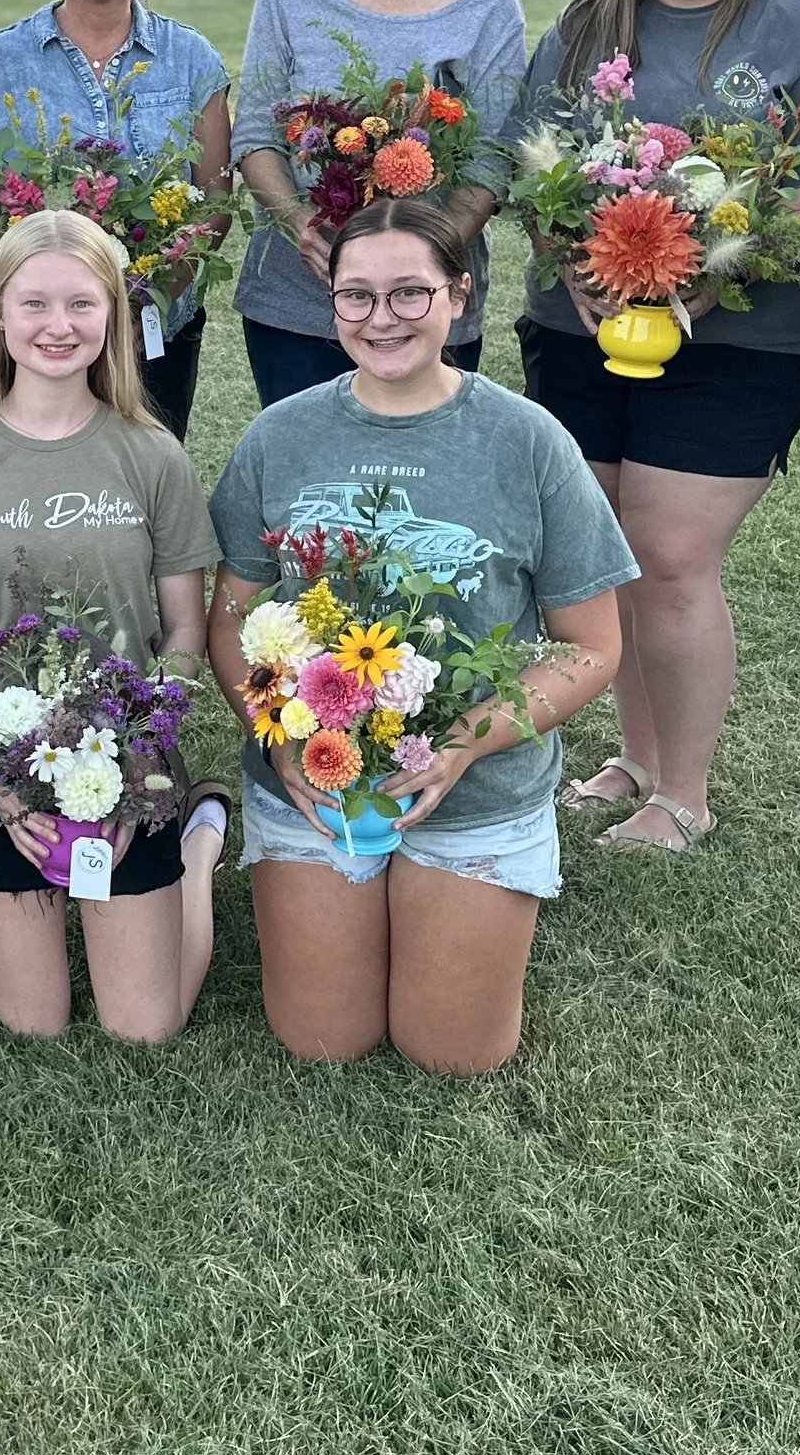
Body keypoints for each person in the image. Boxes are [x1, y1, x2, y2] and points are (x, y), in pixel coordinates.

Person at [207, 197, 633, 1073]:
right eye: (356, 295)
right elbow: (231, 621)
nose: (381, 317)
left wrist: (463, 747)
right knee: (324, 1038)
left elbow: (590, 647)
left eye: (410, 292)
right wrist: (281, 741)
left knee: (454, 1052)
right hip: (315, 781)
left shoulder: (529, 440)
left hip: (472, 787)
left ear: (459, 294)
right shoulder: (277, 437)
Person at [515, 0, 800, 853]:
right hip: (579, 323)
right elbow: (532, 161)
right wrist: (577, 257)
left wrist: (697, 271)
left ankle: (684, 796)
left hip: (740, 335)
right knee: (606, 556)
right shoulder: (588, 23)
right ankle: (633, 758)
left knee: (670, 555)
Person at [0, 212, 229, 1042]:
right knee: (32, 1022)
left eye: (82, 303)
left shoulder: (152, 456)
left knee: (143, 1026)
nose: (58, 325)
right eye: (34, 303)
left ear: (112, 314)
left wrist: (143, 757)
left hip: (128, 776)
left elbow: (185, 630)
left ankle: (196, 846)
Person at [230, 0, 527, 407]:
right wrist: (302, 224)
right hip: (297, 297)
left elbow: (494, 156)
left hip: (428, 305)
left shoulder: (488, 4)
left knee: (423, 481)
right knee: (308, 481)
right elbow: (254, 133)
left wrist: (423, 260)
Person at [0, 0, 234, 443]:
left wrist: (150, 298)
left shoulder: (191, 59)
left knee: (145, 492)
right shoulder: (3, 62)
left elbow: (215, 197)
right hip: (38, 338)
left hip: (155, 329)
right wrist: (27, 298)